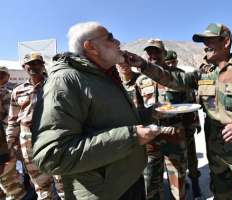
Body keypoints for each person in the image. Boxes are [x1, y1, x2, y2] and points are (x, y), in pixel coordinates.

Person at [126, 23, 232, 200]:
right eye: (203, 41)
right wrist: (144, 66)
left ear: (226, 41)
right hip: (216, 154)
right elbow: (175, 79)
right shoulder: (204, 73)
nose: (205, 45)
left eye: (209, 40)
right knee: (222, 195)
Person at [31, 21, 158, 200]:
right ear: (91, 47)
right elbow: (52, 155)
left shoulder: (104, 76)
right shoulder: (65, 81)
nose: (118, 42)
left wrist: (151, 114)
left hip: (128, 181)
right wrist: (131, 136)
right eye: (110, 38)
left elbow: (112, 121)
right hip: (103, 192)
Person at [6, 53, 65, 200]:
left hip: (52, 136)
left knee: (62, 180)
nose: (33, 67)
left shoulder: (54, 85)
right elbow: (13, 120)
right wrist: (10, 142)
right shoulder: (17, 91)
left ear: (43, 65)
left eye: (37, 63)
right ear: (24, 67)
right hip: (27, 140)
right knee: (40, 184)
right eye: (30, 64)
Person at [137, 39, 188, 200]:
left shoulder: (178, 76)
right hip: (151, 137)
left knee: (177, 181)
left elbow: (189, 103)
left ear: (164, 53)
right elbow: (138, 109)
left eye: (157, 51)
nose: (153, 55)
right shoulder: (141, 80)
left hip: (174, 134)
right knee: (150, 180)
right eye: (150, 52)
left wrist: (190, 129)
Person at [164, 50, 203, 199]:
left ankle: (195, 185)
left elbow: (192, 101)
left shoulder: (183, 76)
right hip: (172, 128)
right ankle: (182, 182)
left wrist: (197, 122)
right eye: (168, 63)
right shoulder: (162, 78)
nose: (171, 65)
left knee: (192, 157)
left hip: (187, 126)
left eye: (173, 62)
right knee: (176, 161)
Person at [0, 66, 28, 200]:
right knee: (10, 183)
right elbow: (11, 119)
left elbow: (11, 119)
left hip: (6, 144)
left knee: (10, 181)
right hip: (5, 145)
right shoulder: (5, 93)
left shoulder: (6, 93)